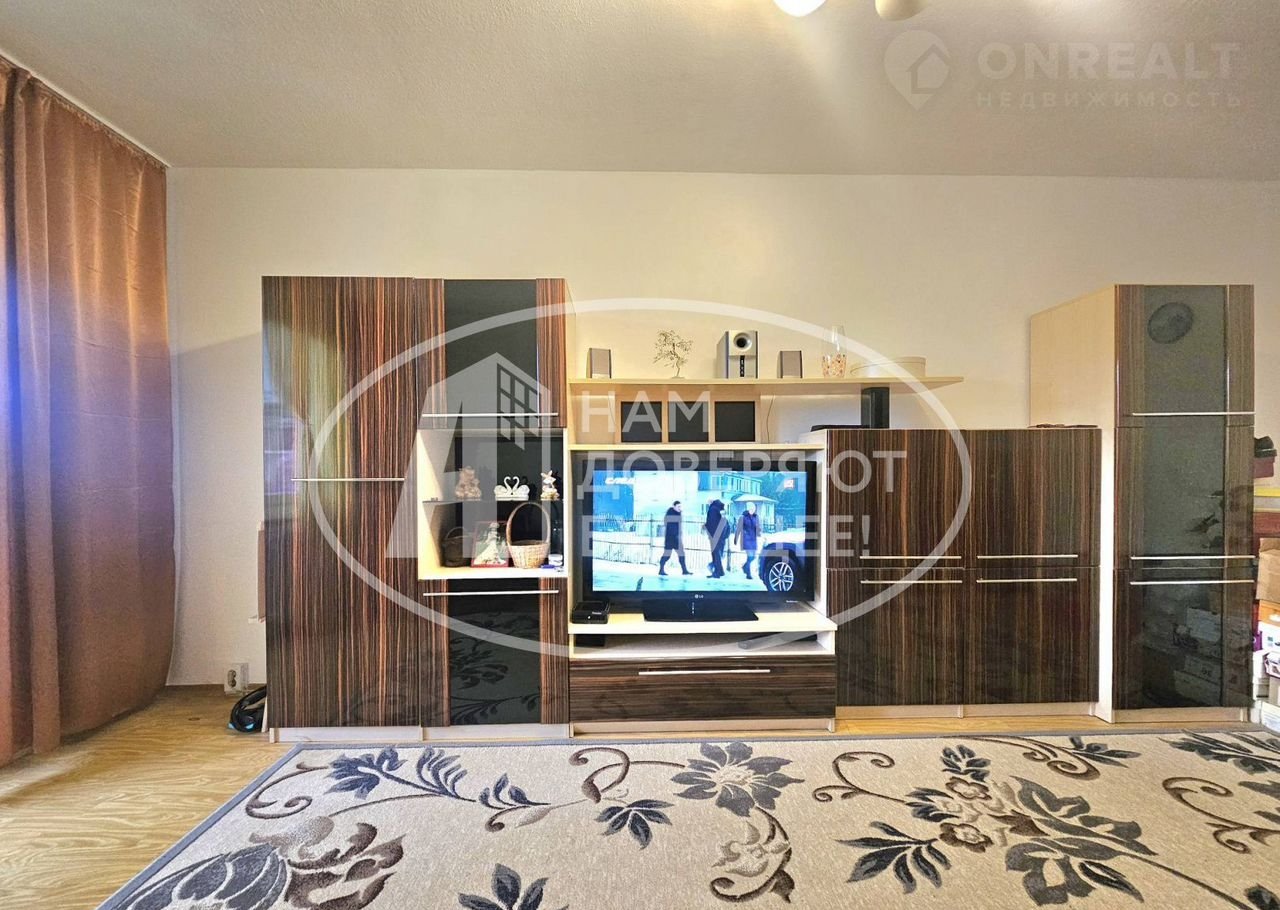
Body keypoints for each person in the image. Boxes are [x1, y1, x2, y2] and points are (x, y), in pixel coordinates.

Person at [657, 501, 692, 576]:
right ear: (674, 506)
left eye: (680, 506)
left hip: (677, 538)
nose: (680, 508)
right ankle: (661, 569)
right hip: (670, 538)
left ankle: (684, 570)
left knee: (681, 554)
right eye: (678, 506)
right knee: (667, 555)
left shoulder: (678, 514)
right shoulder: (670, 514)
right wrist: (675, 535)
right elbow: (670, 526)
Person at [734, 503, 761, 580]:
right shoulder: (743, 517)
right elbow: (738, 528)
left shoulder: (756, 517)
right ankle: (748, 574)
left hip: (753, 539)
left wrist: (758, 531)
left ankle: (744, 567)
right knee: (749, 556)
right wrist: (736, 538)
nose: (752, 510)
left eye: (753, 509)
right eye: (750, 509)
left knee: (753, 557)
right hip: (746, 539)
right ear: (748, 509)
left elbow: (757, 527)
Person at [705, 499, 729, 579]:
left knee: (715, 553)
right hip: (721, 535)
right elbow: (725, 522)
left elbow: (711, 523)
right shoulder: (721, 509)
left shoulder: (712, 509)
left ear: (711, 502)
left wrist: (708, 530)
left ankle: (717, 572)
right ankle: (720, 571)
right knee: (717, 553)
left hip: (715, 535)